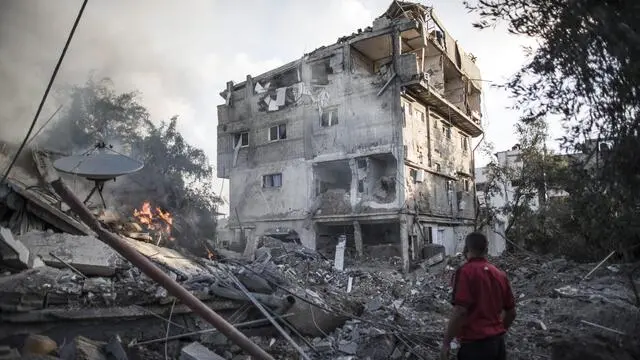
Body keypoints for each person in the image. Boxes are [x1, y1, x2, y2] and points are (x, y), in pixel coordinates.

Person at [440, 232, 516, 360]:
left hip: (475, 347)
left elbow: (460, 311)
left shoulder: (465, 272)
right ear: (486, 250)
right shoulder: (499, 274)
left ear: (465, 249)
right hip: (498, 345)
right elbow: (512, 313)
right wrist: (497, 331)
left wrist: (446, 343)